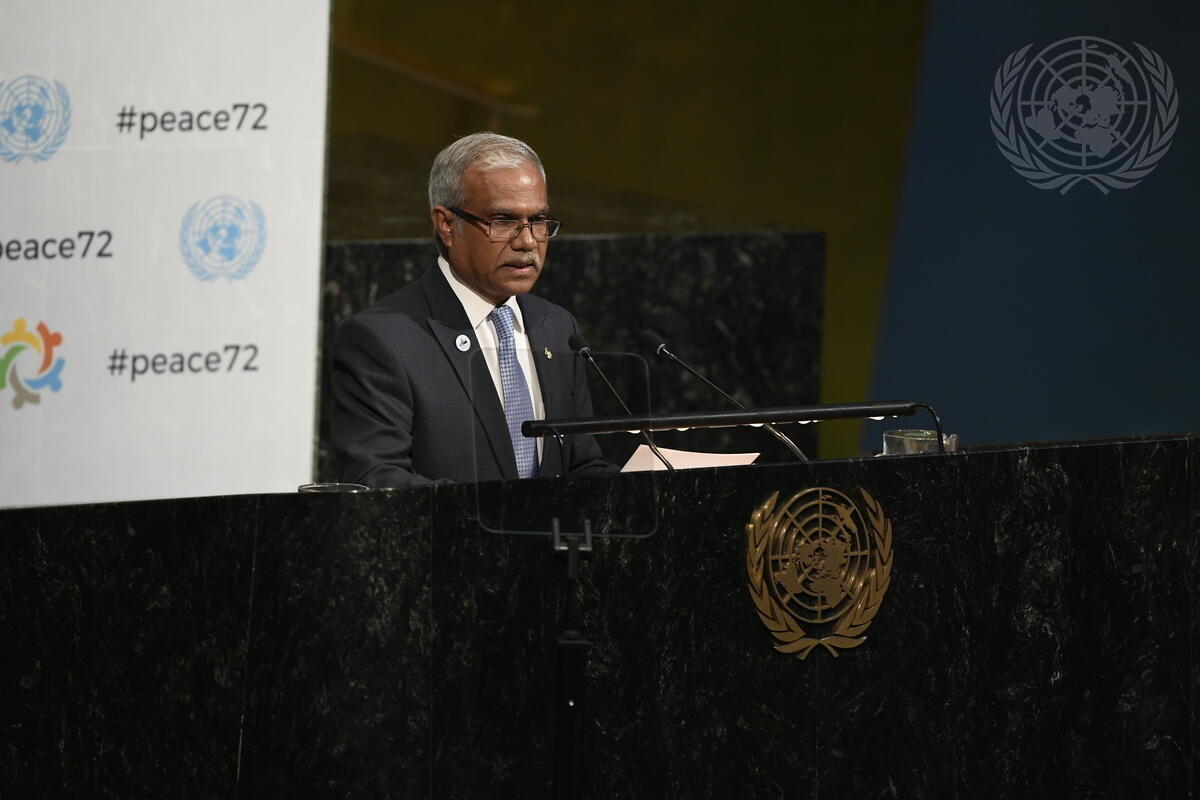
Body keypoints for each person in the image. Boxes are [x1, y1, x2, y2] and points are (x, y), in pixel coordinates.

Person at [331, 132, 611, 487]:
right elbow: (377, 478)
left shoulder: (556, 326)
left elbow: (581, 464)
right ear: (447, 225)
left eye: (539, 220)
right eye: (503, 221)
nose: (527, 241)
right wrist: (493, 515)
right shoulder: (383, 339)